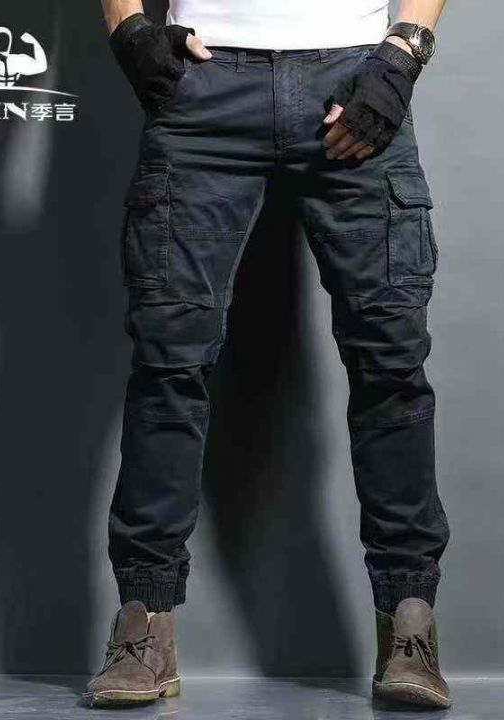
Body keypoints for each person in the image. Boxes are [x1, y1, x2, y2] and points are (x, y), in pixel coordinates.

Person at [85, 0, 450, 709]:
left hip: (353, 79)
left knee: (392, 364)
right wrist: (130, 30)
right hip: (206, 84)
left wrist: (404, 52)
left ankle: (410, 622)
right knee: (168, 364)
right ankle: (144, 624)